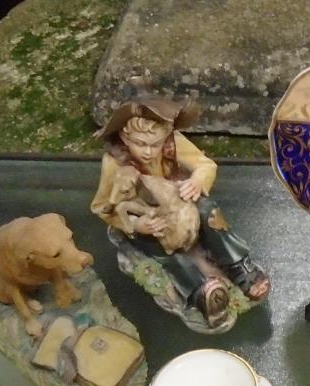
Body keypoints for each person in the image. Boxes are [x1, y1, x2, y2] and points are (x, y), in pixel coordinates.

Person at [90, 92, 269, 328]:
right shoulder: (115, 162)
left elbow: (206, 166)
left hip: (181, 203)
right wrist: (135, 225)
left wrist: (197, 180)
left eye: (155, 144)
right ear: (125, 137)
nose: (148, 152)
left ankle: (237, 264)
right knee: (159, 242)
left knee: (208, 211)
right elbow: (102, 207)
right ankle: (198, 289)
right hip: (147, 217)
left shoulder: (174, 143)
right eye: (139, 144)